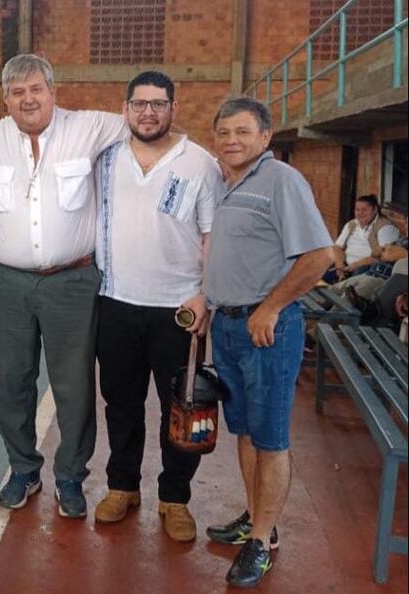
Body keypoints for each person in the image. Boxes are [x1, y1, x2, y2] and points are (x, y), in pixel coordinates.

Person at [0, 53, 127, 518]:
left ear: (53, 91)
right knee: (10, 382)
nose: (28, 99)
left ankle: (70, 477)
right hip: (7, 282)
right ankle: (24, 469)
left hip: (73, 281)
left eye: (36, 90)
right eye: (17, 92)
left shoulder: (91, 127)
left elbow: (152, 130)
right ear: (5, 98)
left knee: (73, 387)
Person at [204, 96, 334, 588]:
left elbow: (320, 255)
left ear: (264, 138)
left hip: (266, 330)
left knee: (271, 438)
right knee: (245, 431)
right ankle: (259, 519)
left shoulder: (282, 181)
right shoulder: (228, 184)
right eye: (223, 133)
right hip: (230, 326)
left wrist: (272, 306)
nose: (231, 140)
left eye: (242, 132)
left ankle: (259, 542)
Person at [93, 71, 221, 541]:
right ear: (125, 108)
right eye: (140, 103)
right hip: (117, 302)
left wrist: (206, 292)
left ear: (174, 108)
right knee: (121, 404)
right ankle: (122, 486)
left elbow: (212, 235)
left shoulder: (199, 163)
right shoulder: (106, 159)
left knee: (181, 405)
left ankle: (175, 497)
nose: (149, 112)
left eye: (159, 104)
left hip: (179, 308)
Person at [323, 194, 399, 283]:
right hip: (346, 265)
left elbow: (384, 256)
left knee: (352, 283)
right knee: (321, 272)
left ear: (374, 210)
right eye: (357, 210)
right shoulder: (351, 224)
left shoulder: (385, 227)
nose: (360, 213)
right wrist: (340, 266)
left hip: (366, 266)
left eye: (364, 210)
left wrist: (357, 264)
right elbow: (338, 247)